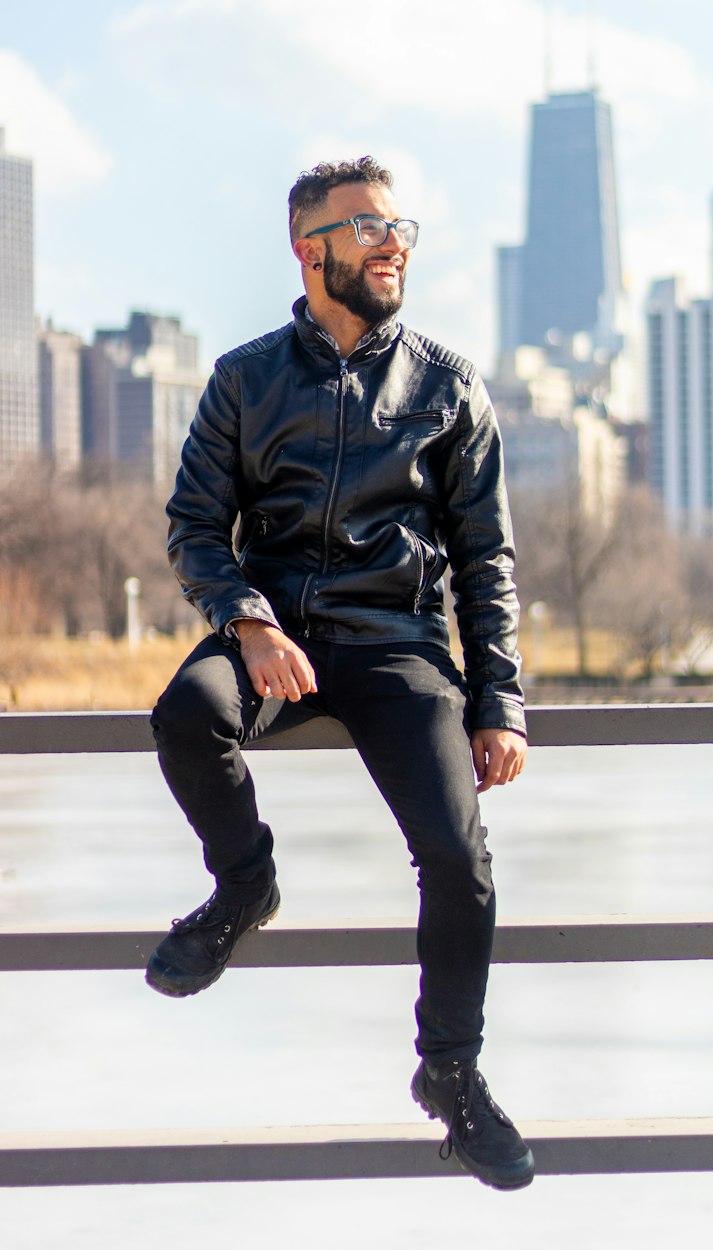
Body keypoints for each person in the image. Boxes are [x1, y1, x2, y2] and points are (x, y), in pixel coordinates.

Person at [145, 156, 533, 1191]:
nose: (390, 241)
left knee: (458, 855)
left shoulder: (448, 388)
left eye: (397, 223)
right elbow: (194, 529)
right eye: (364, 226)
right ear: (307, 249)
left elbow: (486, 558)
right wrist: (249, 618)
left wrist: (500, 702)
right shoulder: (244, 378)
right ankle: (244, 882)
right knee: (186, 714)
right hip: (273, 632)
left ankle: (450, 1068)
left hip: (397, 643)